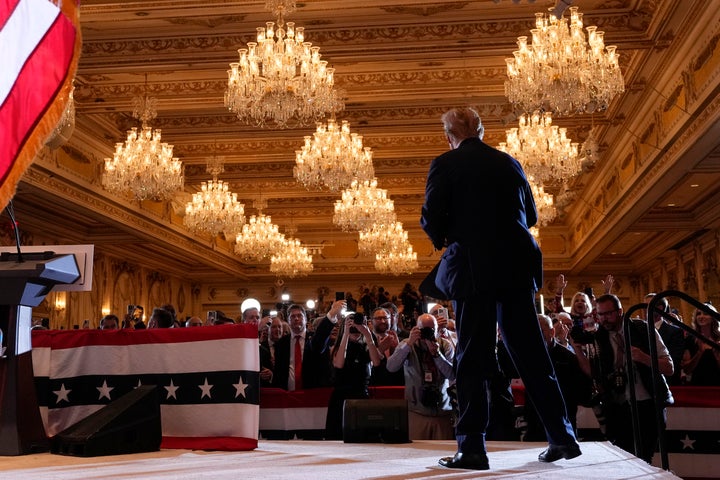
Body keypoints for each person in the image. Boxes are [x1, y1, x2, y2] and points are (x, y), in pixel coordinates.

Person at [420, 107, 579, 470]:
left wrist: (445, 236)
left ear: (449, 135)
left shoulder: (444, 163)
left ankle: (472, 447)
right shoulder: (510, 163)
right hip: (517, 267)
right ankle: (562, 436)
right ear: (482, 131)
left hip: (474, 269)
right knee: (532, 354)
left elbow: (432, 218)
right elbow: (533, 217)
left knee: (472, 355)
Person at [573, 294, 674, 463]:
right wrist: (577, 350)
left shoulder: (642, 329)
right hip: (617, 406)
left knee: (644, 456)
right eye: (600, 315)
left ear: (620, 311)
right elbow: (593, 374)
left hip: (647, 403)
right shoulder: (599, 337)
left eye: (609, 314)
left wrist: (644, 358)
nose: (604, 319)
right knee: (622, 457)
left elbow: (669, 367)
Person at [386, 313, 455, 440]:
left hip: (442, 412)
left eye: (431, 329)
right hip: (417, 412)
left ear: (437, 329)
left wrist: (437, 354)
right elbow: (391, 367)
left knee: (441, 451)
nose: (428, 333)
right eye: (424, 329)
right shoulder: (407, 344)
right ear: (416, 329)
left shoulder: (445, 345)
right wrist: (409, 344)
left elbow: (452, 374)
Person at [523, 314, 592, 441]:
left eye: (540, 330)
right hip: (535, 425)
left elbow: (582, 391)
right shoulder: (526, 358)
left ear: (552, 331)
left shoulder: (568, 358)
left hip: (564, 423)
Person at [324, 312, 382, 440]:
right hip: (341, 399)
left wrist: (367, 333)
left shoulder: (366, 347)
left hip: (361, 396)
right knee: (338, 437)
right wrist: (345, 333)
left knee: (363, 438)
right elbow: (339, 364)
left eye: (357, 326)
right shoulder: (336, 348)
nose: (355, 330)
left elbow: (377, 362)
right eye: (352, 327)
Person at [645, 293, 685, 385]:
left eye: (648, 306)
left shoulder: (675, 332)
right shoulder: (640, 329)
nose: (645, 310)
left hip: (667, 383)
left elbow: (674, 361)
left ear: (660, 308)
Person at [681, 303, 720, 386]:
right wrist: (700, 352)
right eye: (698, 314)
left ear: (713, 317)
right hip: (698, 385)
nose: (701, 316)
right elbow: (687, 370)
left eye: (706, 314)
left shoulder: (719, 338)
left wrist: (717, 357)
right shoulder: (690, 339)